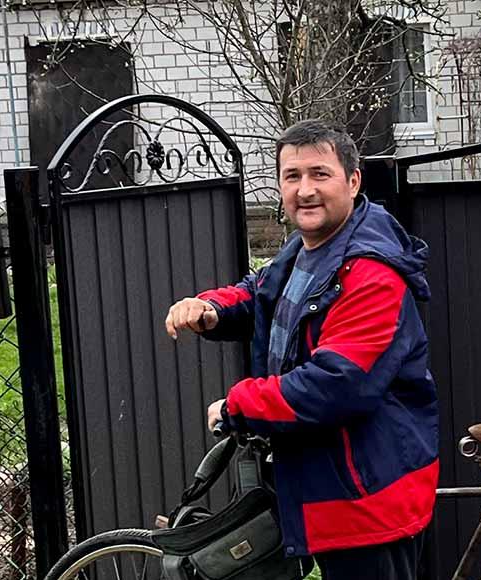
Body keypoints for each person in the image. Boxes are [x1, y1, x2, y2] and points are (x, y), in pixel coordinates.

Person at [164, 119, 439, 580]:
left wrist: (239, 405)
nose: (305, 189)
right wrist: (211, 308)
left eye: (319, 174)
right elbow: (262, 293)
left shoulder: (370, 275)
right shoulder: (307, 250)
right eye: (292, 176)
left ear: (352, 181)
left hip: (365, 497)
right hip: (327, 483)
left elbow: (337, 385)